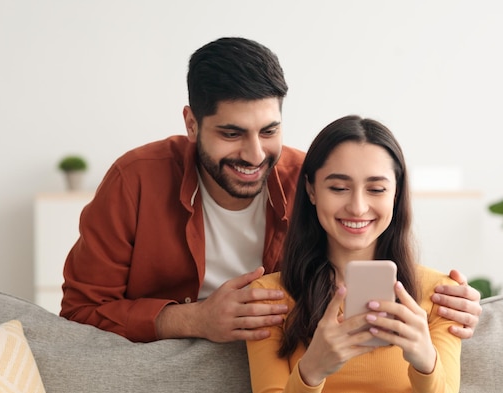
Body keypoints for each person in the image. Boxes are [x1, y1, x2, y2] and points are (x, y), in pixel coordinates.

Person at [60, 37, 481, 343]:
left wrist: (444, 305)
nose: (255, 153)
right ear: (191, 123)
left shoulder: (312, 181)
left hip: (285, 368)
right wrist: (192, 320)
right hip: (165, 368)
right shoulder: (135, 179)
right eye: (231, 133)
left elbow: (375, 267)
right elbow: (78, 312)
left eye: (269, 130)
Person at [246, 115, 460, 393]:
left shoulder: (442, 295)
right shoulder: (269, 298)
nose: (358, 207)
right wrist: (312, 369)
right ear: (311, 190)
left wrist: (426, 363)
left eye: (376, 189)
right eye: (338, 188)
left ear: (396, 193)